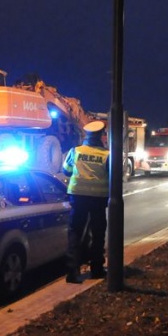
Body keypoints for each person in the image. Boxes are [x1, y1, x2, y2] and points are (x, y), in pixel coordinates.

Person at [62, 120, 110, 283]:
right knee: (98, 233)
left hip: (78, 197)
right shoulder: (106, 154)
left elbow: (66, 171)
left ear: (87, 136)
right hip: (98, 198)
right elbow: (112, 177)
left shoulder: (75, 151)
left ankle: (72, 272)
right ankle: (96, 269)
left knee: (75, 232)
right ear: (101, 136)